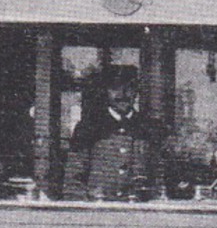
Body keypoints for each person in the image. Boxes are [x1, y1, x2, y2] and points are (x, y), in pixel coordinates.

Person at [68, 64, 161, 201]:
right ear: (105, 91)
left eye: (129, 88)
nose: (122, 94)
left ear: (136, 92)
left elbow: (159, 179)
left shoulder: (149, 128)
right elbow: (73, 182)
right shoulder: (89, 127)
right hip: (98, 213)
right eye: (115, 89)